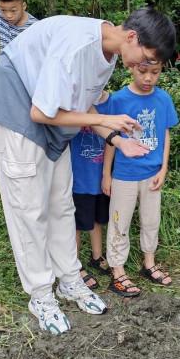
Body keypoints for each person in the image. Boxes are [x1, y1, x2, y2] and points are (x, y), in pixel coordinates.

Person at [0, 7, 176, 334]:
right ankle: (41, 295)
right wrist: (104, 120)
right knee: (29, 210)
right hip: (20, 111)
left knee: (62, 203)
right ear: (132, 36)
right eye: (143, 57)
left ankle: (69, 281)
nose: (142, 67)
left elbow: (80, 103)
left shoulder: (111, 50)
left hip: (51, 117)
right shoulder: (77, 47)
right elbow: (41, 112)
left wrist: (117, 138)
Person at [100, 62, 179, 297]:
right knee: (119, 223)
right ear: (131, 68)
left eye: (154, 73)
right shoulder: (119, 100)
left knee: (151, 220)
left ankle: (149, 263)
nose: (148, 78)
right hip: (125, 175)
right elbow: (111, 138)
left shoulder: (163, 99)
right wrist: (107, 174)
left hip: (152, 174)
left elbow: (165, 135)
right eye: (143, 72)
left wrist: (163, 169)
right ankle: (118, 271)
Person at [69, 121, 111, 290]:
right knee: (75, 225)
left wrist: (107, 174)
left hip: (99, 178)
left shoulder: (108, 106)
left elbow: (112, 139)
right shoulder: (72, 108)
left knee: (97, 219)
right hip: (78, 180)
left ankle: (97, 256)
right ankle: (75, 265)